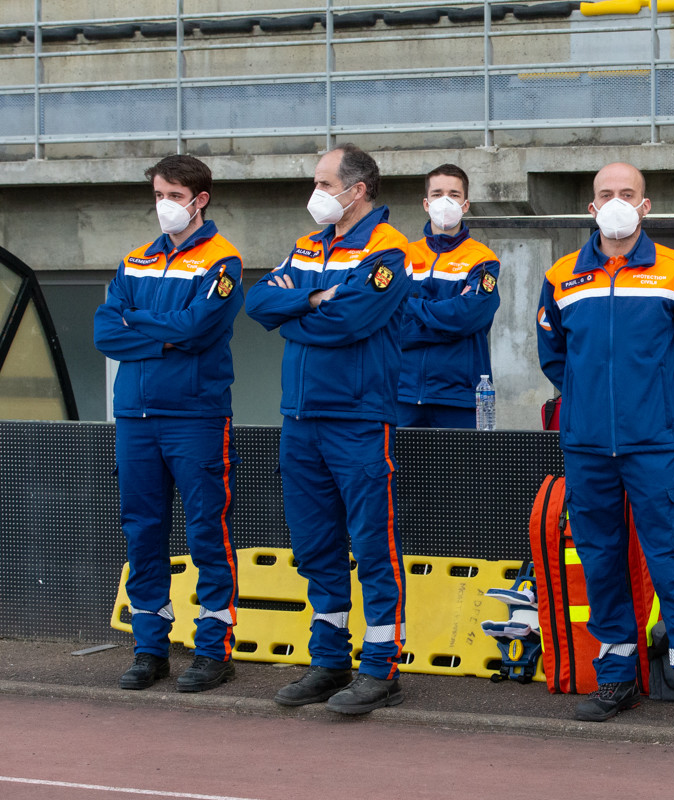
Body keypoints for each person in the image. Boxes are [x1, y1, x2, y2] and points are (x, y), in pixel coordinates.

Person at [536, 162, 674, 730]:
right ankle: (617, 675)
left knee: (670, 562)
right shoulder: (561, 275)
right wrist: (587, 407)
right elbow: (555, 358)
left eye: (627, 193)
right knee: (600, 562)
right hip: (587, 446)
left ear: (645, 206)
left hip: (652, 444)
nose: (615, 201)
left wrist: (659, 409)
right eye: (605, 194)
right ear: (591, 207)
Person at [245, 144, 413, 715]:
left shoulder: (390, 250)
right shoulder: (307, 245)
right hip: (300, 420)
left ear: (357, 189)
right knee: (316, 548)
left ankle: (380, 668)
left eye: (324, 181)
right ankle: (328, 659)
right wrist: (315, 298)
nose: (315, 191)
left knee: (371, 546)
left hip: (358, 420)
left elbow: (351, 322)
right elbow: (258, 302)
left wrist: (299, 312)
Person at [94, 155, 242, 693]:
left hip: (196, 416)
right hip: (134, 417)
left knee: (208, 534)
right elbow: (105, 332)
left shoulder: (223, 260)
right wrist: (164, 334)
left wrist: (141, 325)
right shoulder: (134, 260)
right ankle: (150, 648)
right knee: (142, 532)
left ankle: (212, 652)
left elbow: (202, 328)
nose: (165, 205)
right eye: (159, 194)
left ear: (199, 200)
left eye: (174, 196)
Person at [396, 164, 501, 428]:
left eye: (454, 194)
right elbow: (387, 319)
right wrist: (447, 315)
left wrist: (412, 304)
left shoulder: (483, 259)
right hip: (402, 394)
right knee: (401, 471)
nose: (445, 201)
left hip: (459, 398)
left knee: (462, 471)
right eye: (437, 193)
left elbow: (466, 318)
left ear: (465, 205)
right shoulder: (401, 256)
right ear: (425, 202)